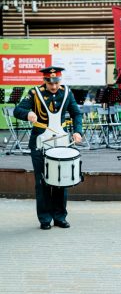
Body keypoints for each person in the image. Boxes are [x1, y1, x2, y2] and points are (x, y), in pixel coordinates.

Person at [13, 66, 83, 230]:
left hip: (61, 141)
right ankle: (45, 219)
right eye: (50, 83)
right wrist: (27, 114)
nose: (54, 86)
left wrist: (78, 131)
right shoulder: (34, 93)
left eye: (57, 82)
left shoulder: (67, 93)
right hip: (40, 142)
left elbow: (76, 113)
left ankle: (60, 217)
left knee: (62, 179)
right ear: (44, 80)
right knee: (42, 180)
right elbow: (18, 110)